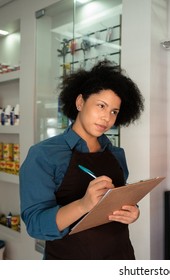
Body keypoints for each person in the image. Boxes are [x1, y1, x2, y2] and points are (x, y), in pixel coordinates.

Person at [20, 60, 145, 259]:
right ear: (80, 102)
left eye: (114, 111)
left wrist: (132, 210)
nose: (107, 118)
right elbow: (35, 225)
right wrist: (83, 205)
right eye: (101, 106)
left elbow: (120, 197)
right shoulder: (43, 155)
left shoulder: (117, 154)